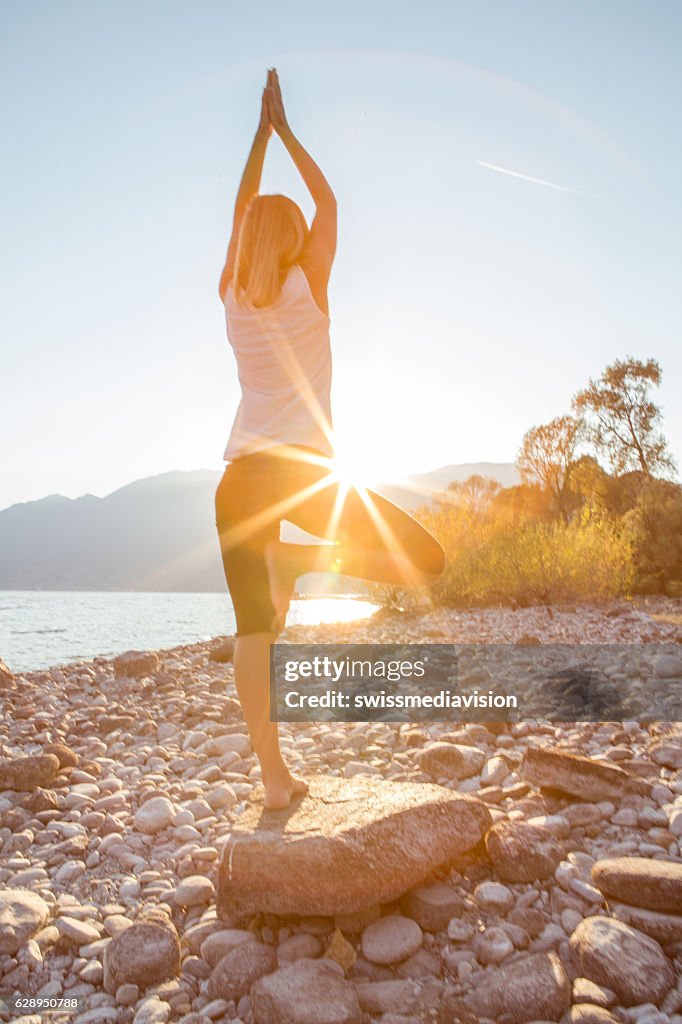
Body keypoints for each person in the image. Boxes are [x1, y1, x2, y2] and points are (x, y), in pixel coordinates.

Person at [215, 69, 445, 809]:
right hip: (306, 476)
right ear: (292, 239)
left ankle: (273, 782)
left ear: (248, 236)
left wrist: (257, 137)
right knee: (424, 560)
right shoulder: (307, 283)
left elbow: (243, 206)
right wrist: (286, 132)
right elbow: (330, 203)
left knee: (255, 636)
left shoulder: (232, 294)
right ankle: (296, 561)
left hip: (238, 485)